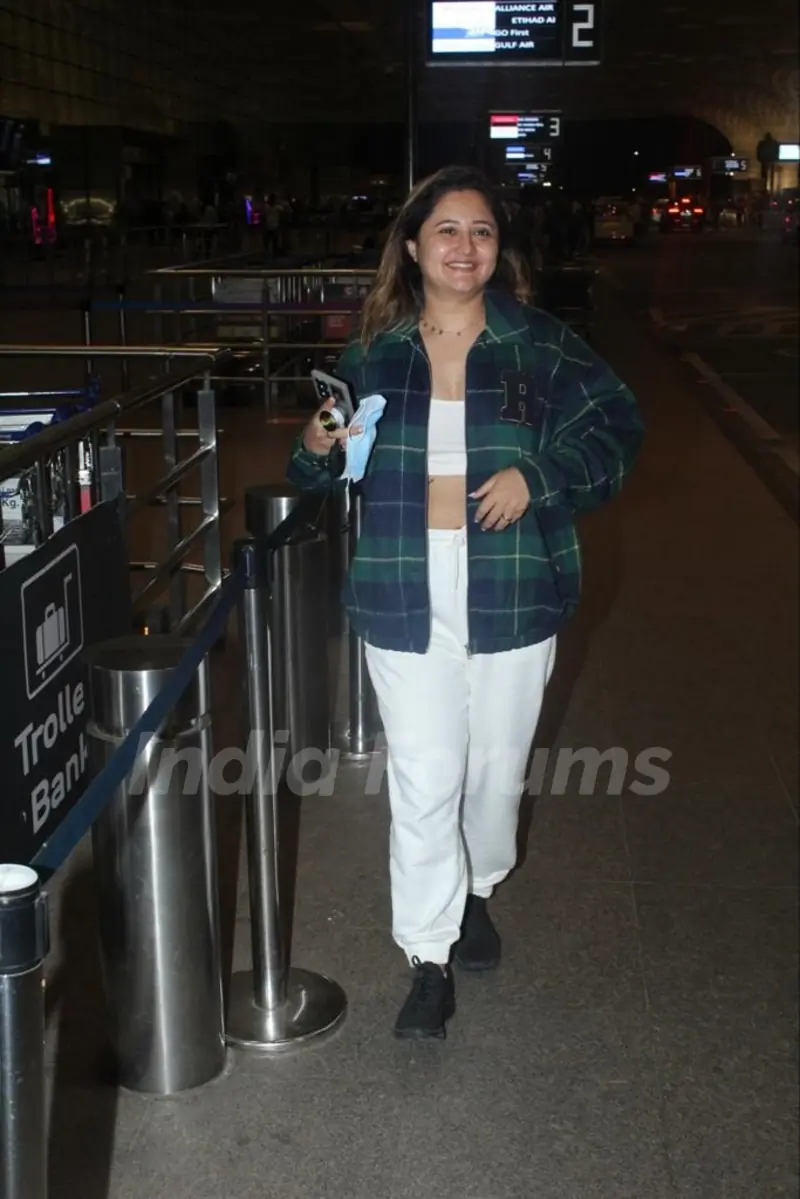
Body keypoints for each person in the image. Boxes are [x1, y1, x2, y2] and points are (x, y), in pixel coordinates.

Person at [287, 165, 644, 1041]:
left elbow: (618, 428)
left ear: (498, 248)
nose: (465, 246)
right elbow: (319, 475)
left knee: (492, 773)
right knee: (424, 777)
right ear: (412, 246)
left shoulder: (541, 344)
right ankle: (427, 955)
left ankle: (480, 882)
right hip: (403, 584)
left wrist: (539, 473)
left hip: (514, 579)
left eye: (481, 231)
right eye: (446, 230)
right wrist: (313, 445)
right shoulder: (373, 354)